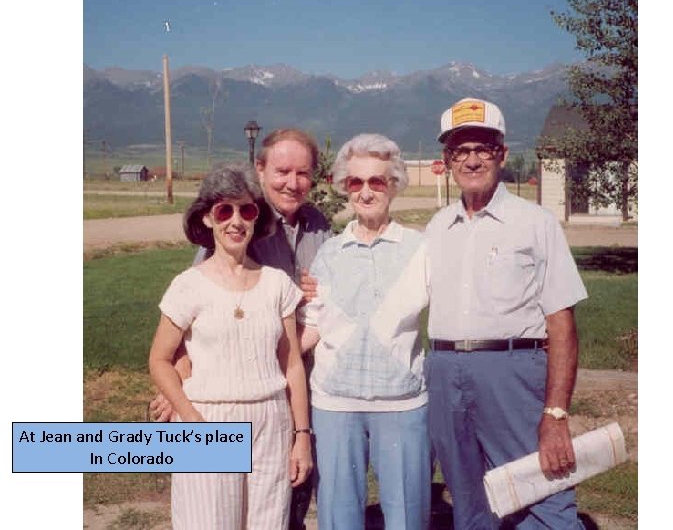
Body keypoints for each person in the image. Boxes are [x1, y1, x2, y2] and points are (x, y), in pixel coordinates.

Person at [148, 129, 333, 530]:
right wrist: (179, 397)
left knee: (274, 517)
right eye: (283, 171)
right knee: (209, 518)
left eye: (303, 173)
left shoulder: (317, 230)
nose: (293, 181)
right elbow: (182, 336)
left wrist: (301, 432)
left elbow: (292, 361)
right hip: (211, 414)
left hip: (276, 409)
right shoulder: (194, 276)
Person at [424, 98, 588, 529]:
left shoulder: (536, 222)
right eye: (461, 150)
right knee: (469, 499)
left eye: (483, 147)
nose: (472, 159)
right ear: (448, 159)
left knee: (544, 489)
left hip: (512, 372)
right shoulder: (437, 226)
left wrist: (555, 414)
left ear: (501, 154)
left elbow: (562, 324)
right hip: (444, 370)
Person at [299, 133, 432, 530]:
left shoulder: (421, 248)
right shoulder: (329, 252)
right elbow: (311, 329)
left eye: (377, 181)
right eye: (356, 182)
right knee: (338, 518)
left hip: (403, 402)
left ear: (394, 185)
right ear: (345, 188)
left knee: (407, 518)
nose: (366, 191)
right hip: (335, 404)